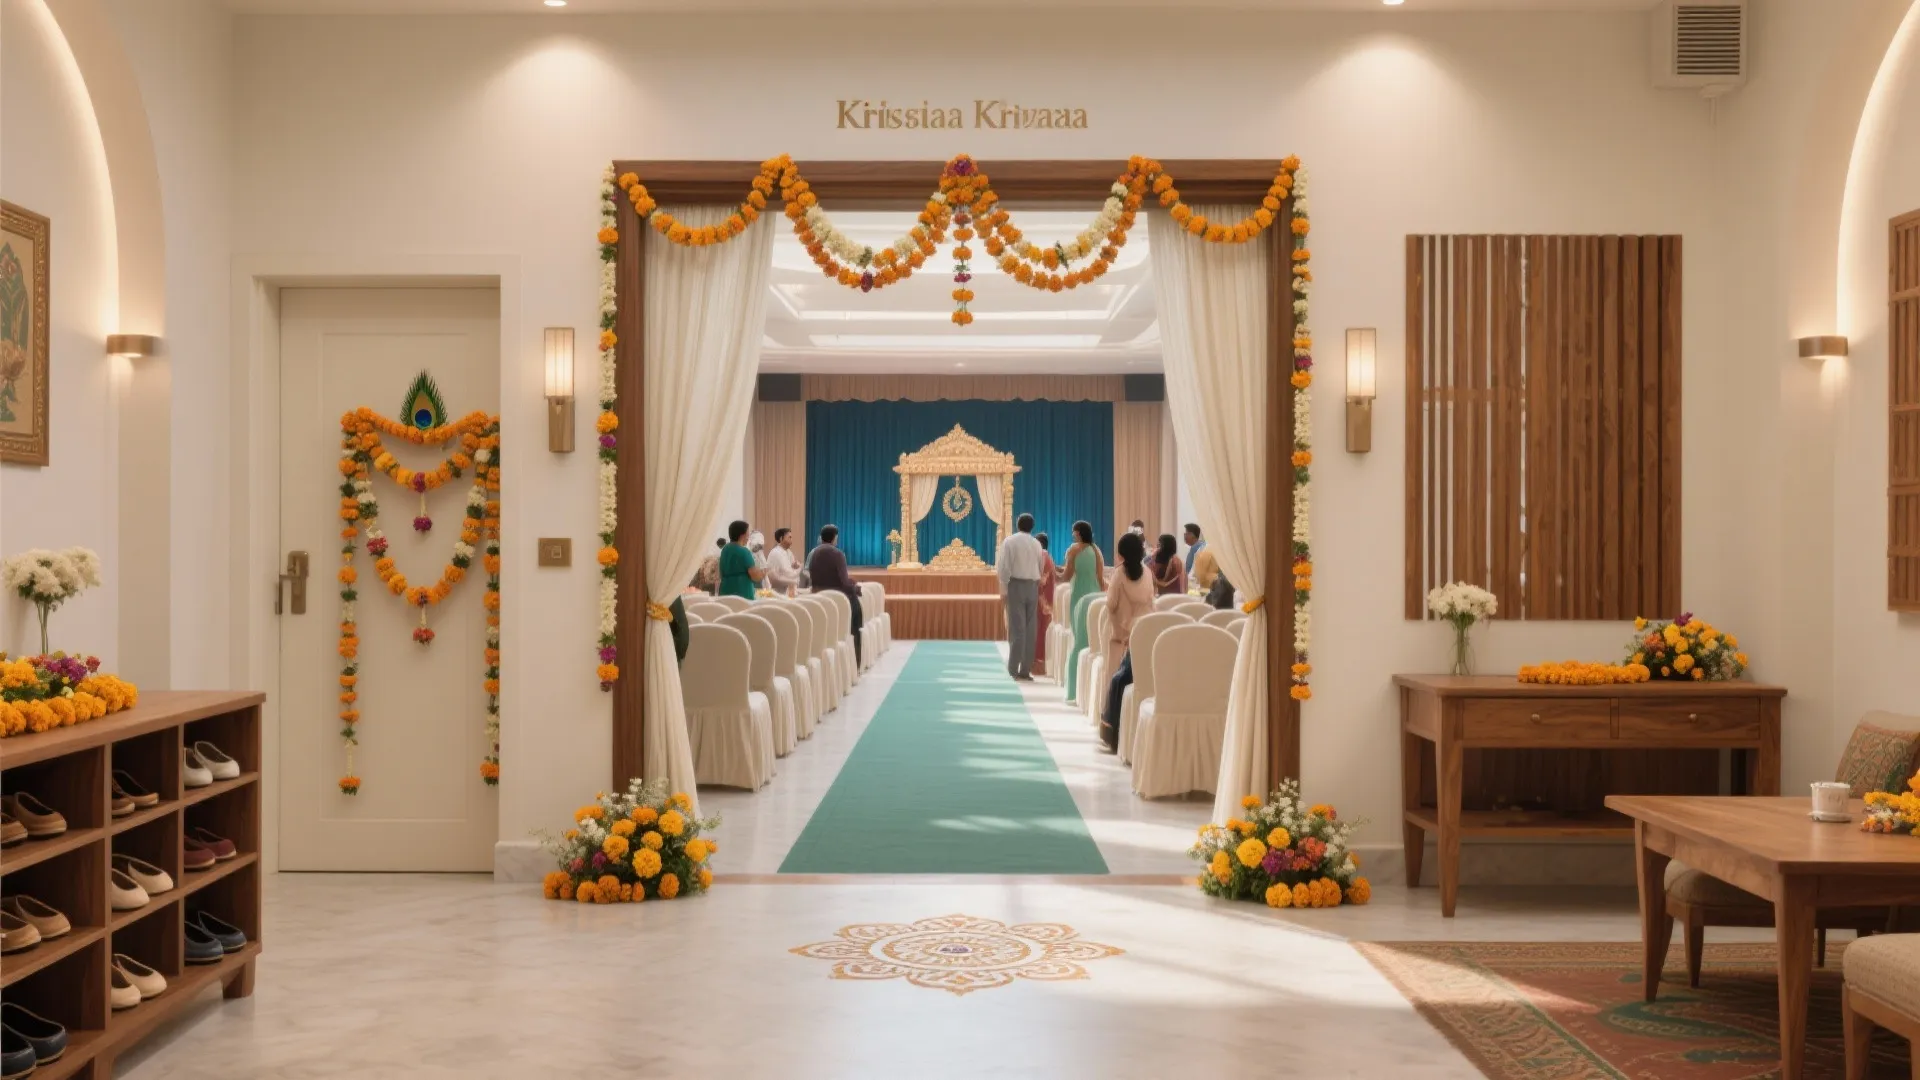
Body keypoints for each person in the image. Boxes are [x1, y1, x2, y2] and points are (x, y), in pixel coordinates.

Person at [1100, 531, 1155, 753]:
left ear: (1121, 553)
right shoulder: (1148, 573)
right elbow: (1152, 601)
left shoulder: (1119, 574)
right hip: (1145, 633)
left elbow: (1111, 603)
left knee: (1115, 679)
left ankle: (1112, 731)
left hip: (1122, 635)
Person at [996, 513, 1044, 681]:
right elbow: (1041, 565)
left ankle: (1012, 669)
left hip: (1016, 585)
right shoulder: (1037, 543)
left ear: (1018, 524)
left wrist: (1003, 588)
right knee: (1031, 628)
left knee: (1017, 628)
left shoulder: (1010, 541)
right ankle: (1025, 669)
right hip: (1033, 585)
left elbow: (1004, 567)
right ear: (1032, 526)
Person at [1062, 520, 1106, 703]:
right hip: (1096, 595)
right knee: (1093, 641)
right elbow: (1100, 577)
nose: (1073, 535)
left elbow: (1066, 575)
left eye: (1074, 532)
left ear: (1079, 533)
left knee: (1078, 640)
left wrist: (1052, 574)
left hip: (1079, 595)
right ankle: (1089, 691)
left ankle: (1072, 690)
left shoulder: (1074, 549)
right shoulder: (1096, 550)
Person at [807, 524, 863, 667]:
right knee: (857, 612)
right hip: (837, 600)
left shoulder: (813, 553)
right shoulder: (837, 554)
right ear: (835, 538)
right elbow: (844, 582)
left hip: (819, 598)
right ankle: (855, 661)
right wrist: (856, 589)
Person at [718, 520, 764, 601]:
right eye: (748, 534)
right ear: (742, 535)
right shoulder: (744, 552)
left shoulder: (725, 550)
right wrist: (763, 573)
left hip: (724, 594)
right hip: (742, 595)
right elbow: (755, 576)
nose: (748, 537)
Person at [1034, 532, 1057, 677]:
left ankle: (1039, 662)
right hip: (1046, 599)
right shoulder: (1048, 557)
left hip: (1042, 599)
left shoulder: (1043, 557)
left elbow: (1042, 581)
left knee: (1041, 630)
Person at [765, 527, 801, 596]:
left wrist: (795, 566)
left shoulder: (788, 552)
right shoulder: (775, 553)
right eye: (789, 537)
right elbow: (772, 577)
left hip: (789, 590)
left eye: (791, 537)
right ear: (781, 539)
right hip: (778, 593)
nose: (791, 540)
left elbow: (792, 567)